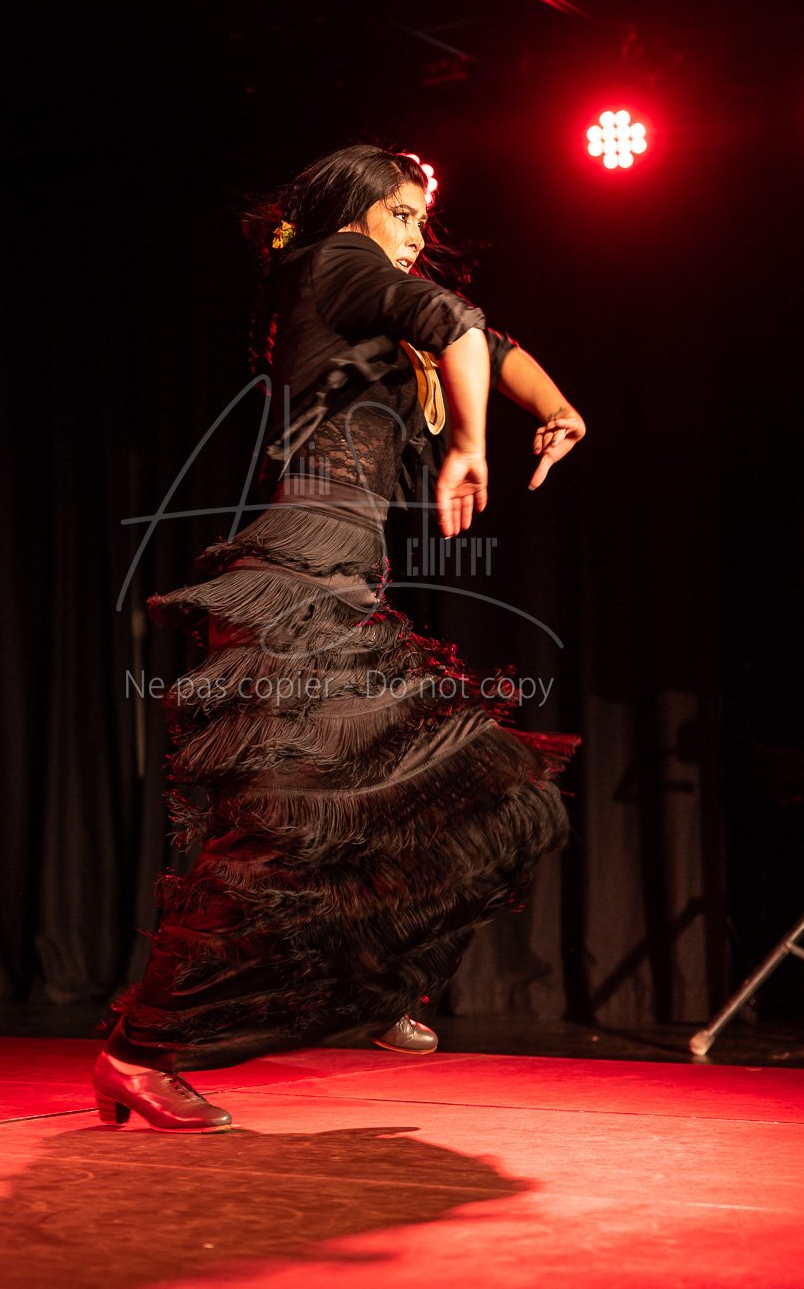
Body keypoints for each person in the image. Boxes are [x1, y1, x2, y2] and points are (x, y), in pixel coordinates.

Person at [94, 145, 585, 1132]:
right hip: (298, 579)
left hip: (341, 583)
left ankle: (371, 980)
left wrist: (558, 408)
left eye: (420, 223)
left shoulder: (373, 298)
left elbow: (485, 340)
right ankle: (138, 1054)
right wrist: (467, 445)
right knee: (276, 838)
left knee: (430, 800)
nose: (414, 238)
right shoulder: (334, 260)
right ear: (357, 209)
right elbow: (455, 325)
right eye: (401, 215)